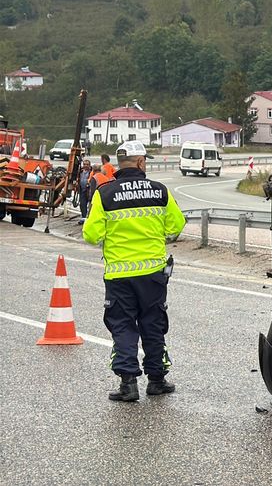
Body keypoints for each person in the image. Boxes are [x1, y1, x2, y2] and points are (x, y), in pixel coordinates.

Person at [83, 141, 186, 402]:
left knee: (123, 326)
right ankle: (157, 380)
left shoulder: (104, 194)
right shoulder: (159, 191)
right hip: (153, 273)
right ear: (140, 163)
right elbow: (176, 226)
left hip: (118, 275)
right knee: (153, 323)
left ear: (120, 163)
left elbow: (91, 235)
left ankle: (128, 384)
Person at [76, 160, 92, 224]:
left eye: (87, 164)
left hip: (89, 190)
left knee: (90, 205)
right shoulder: (80, 172)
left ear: (89, 165)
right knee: (82, 204)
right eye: (84, 164)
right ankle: (83, 218)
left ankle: (89, 218)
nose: (85, 166)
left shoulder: (91, 172)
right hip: (82, 190)